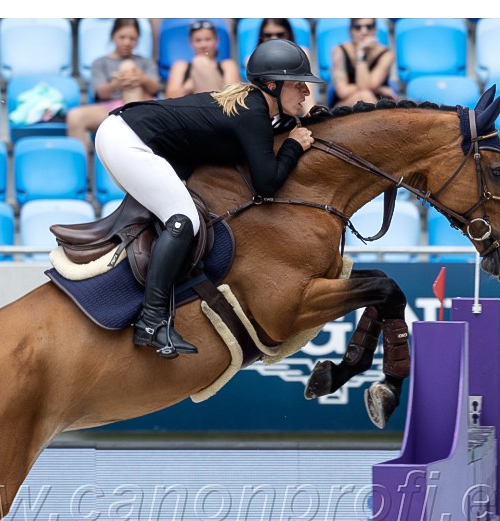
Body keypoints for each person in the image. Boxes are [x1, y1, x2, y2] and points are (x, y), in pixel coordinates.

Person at [94, 39, 322, 358]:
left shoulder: (254, 106)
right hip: (128, 141)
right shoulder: (253, 112)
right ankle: (151, 320)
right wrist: (293, 145)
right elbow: (267, 184)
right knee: (183, 219)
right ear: (273, 86)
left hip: (123, 133)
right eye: (298, 85)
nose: (306, 93)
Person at [66, 19, 160, 150]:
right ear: (113, 36)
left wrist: (141, 78)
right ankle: (82, 164)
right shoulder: (100, 62)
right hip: (111, 109)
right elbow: (101, 93)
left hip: (141, 107)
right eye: (122, 37)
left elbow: (155, 88)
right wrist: (117, 84)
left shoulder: (145, 62)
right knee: (74, 117)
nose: (127, 42)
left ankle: (132, 133)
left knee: (128, 65)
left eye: (132, 38)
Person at [250, 19, 315, 114]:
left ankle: (311, 115)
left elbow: (306, 85)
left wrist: (310, 113)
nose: (274, 39)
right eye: (268, 35)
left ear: (289, 34)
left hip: (297, 107)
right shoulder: (252, 59)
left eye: (280, 34)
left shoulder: (301, 53)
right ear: (261, 37)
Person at [330, 18, 398, 107]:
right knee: (365, 95)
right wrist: (379, 89)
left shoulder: (386, 54)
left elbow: (366, 87)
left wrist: (361, 54)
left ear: (375, 30)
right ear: (350, 31)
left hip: (377, 103)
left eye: (369, 27)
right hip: (345, 104)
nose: (364, 32)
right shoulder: (339, 51)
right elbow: (343, 92)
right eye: (358, 27)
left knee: (366, 96)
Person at [165, 20, 241, 98]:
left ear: (216, 41)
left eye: (208, 39)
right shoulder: (180, 66)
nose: (203, 45)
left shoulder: (228, 65)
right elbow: (169, 98)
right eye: (198, 40)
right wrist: (192, 83)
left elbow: (233, 96)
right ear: (191, 43)